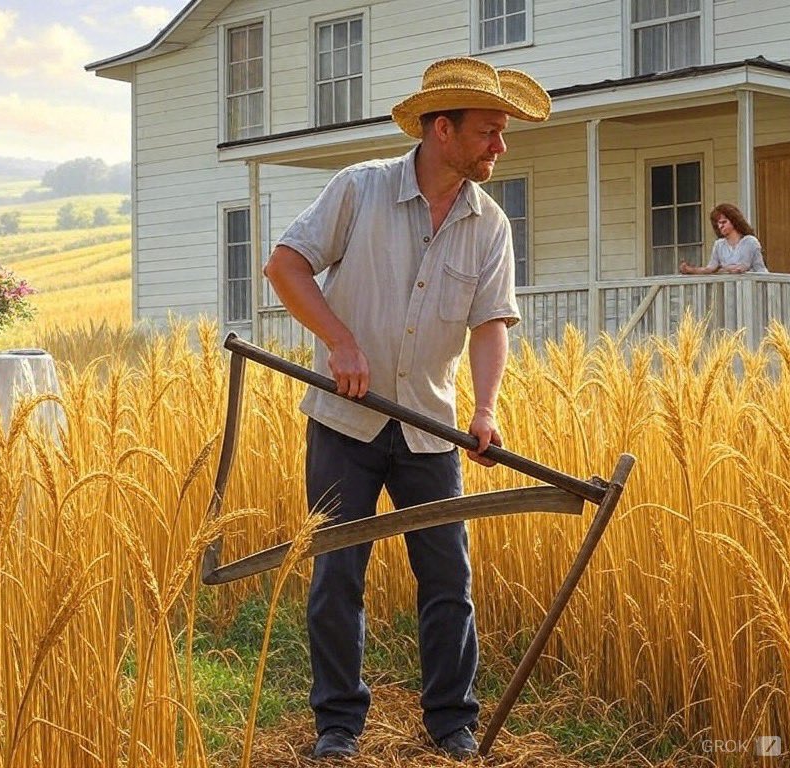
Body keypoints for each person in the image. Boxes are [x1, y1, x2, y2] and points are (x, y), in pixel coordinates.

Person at [262, 57, 550, 760]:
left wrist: (484, 410)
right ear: (442, 129)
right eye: (488, 132)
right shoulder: (358, 190)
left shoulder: (490, 225)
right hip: (345, 422)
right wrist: (341, 343)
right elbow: (284, 264)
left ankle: (451, 723)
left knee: (449, 581)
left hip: (432, 428)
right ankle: (338, 726)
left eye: (501, 134)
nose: (499, 147)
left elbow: (489, 324)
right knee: (336, 575)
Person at [679, 203, 768, 274]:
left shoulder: (750, 241)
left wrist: (721, 270)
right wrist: (690, 270)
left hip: (755, 287)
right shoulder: (719, 245)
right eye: (718, 223)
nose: (720, 226)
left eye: (724, 222)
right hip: (731, 289)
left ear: (734, 221)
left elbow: (741, 267)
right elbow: (710, 268)